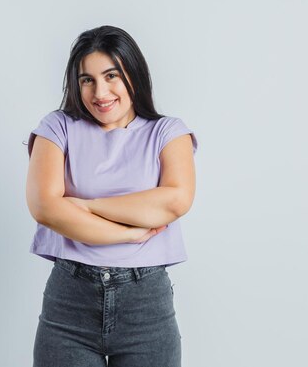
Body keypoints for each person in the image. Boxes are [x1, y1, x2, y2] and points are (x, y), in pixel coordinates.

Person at [25, 25, 198, 367]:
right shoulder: (57, 127)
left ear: (134, 74)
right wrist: (130, 232)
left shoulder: (168, 132)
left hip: (145, 305)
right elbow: (45, 207)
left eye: (111, 76)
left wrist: (86, 205)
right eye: (86, 79)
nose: (99, 91)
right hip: (69, 304)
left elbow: (175, 201)